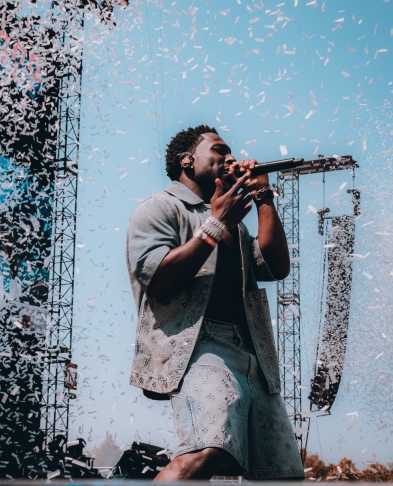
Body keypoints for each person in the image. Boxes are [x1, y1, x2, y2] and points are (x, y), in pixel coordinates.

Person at [126, 125, 304, 480]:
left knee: (281, 474)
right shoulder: (160, 207)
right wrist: (214, 225)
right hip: (198, 347)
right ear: (187, 161)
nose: (231, 158)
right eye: (220, 151)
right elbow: (158, 281)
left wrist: (263, 196)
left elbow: (275, 266)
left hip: (254, 354)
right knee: (208, 451)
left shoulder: (232, 224)